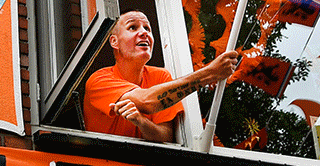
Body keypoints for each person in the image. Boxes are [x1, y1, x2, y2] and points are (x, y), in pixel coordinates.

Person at [84, 11, 240, 142]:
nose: (144, 32)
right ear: (114, 41)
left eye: (147, 28)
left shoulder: (160, 76)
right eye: (132, 27)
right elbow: (146, 101)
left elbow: (166, 135)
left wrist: (141, 122)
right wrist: (210, 73)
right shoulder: (98, 80)